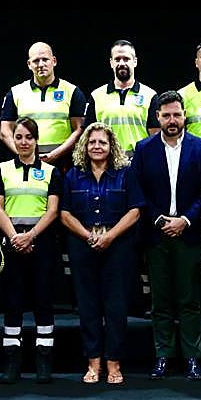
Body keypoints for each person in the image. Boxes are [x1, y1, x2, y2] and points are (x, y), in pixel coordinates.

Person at [132, 91, 201, 380]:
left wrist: (185, 220)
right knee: (161, 300)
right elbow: (138, 191)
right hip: (155, 236)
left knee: (190, 300)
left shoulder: (200, 148)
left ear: (184, 116)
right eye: (166, 115)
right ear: (157, 117)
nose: (171, 120)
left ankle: (192, 357)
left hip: (189, 234)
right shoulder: (143, 149)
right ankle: (163, 356)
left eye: (176, 114)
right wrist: (159, 220)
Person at [59, 123, 142, 385]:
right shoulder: (73, 175)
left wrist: (109, 236)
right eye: (92, 142)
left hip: (118, 245)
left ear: (111, 146)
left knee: (115, 306)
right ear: (85, 145)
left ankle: (114, 364)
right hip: (82, 245)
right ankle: (93, 363)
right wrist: (88, 236)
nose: (97, 147)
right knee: (88, 305)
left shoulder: (125, 174)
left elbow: (135, 210)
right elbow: (64, 213)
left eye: (102, 143)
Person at [0, 117, 61, 384]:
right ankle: (12, 362)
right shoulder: (2, 169)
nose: (23, 142)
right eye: (18, 137)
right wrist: (14, 237)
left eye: (28, 138)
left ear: (36, 140)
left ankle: (44, 361)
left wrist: (30, 236)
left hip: (40, 243)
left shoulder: (52, 172)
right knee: (13, 303)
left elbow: (53, 210)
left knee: (43, 302)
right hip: (11, 244)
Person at [0, 41, 87, 165]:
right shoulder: (15, 92)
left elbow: (80, 130)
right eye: (36, 61)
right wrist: (24, 155)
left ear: (54, 61)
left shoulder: (72, 91)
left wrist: (55, 154)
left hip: (63, 163)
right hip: (26, 163)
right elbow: (5, 132)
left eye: (45, 59)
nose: (41, 64)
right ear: (29, 64)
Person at [85, 40, 156, 158]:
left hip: (139, 163)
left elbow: (156, 137)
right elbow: (88, 137)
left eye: (126, 59)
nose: (122, 63)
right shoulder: (96, 96)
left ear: (135, 61)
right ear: (111, 62)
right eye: (117, 59)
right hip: (106, 165)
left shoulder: (150, 96)